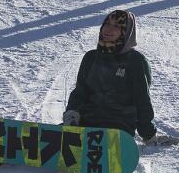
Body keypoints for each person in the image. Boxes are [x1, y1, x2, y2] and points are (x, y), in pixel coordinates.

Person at [62, 9, 162, 143]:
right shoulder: (91, 57)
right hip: (87, 123)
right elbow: (80, 91)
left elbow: (142, 100)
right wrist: (72, 115)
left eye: (116, 26)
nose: (109, 29)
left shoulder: (135, 61)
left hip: (118, 128)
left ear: (126, 32)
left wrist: (148, 133)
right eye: (107, 24)